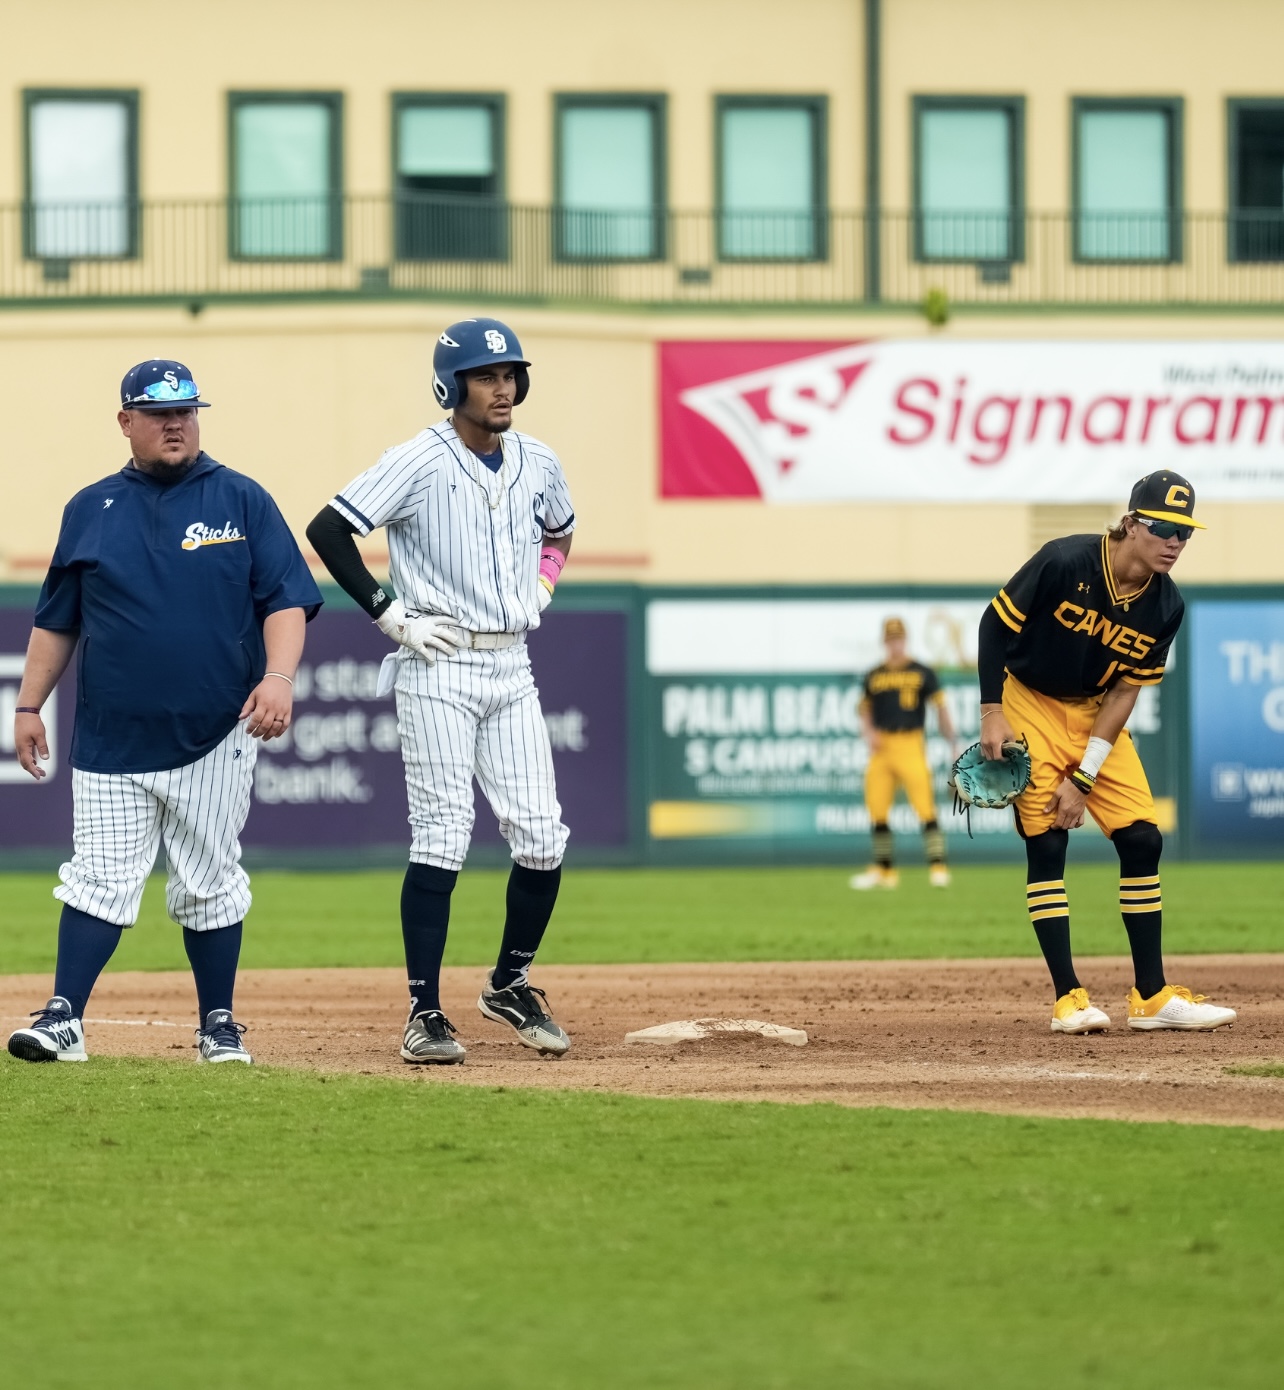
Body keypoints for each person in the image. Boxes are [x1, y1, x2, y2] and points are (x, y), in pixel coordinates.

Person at [8, 359, 322, 1065]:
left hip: (216, 731)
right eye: (158, 412)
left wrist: (279, 677)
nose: (175, 421)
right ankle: (64, 1019)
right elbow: (58, 621)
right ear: (126, 422)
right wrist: (30, 703)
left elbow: (285, 600)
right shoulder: (90, 507)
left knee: (210, 881)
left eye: (186, 409)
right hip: (112, 738)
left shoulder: (241, 498)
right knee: (97, 877)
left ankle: (218, 1024)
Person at [306, 317, 575, 1065]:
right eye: (486, 376)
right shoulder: (419, 460)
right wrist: (391, 614)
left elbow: (560, 531)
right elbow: (329, 529)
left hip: (511, 662)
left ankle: (509, 984)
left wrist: (544, 586)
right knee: (443, 837)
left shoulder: (538, 460)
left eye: (510, 374)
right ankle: (424, 1014)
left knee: (544, 837)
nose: (503, 387)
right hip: (439, 662)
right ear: (451, 386)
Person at [979, 470, 1236, 1035]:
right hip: (1031, 702)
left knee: (1142, 837)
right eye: (1164, 526)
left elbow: (1125, 690)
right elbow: (994, 626)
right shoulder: (1065, 562)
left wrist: (1086, 778)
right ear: (1130, 522)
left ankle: (1151, 997)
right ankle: (1069, 997)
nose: (1175, 541)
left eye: (1185, 532)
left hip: (1097, 711)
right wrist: (991, 711)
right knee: (1047, 842)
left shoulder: (1166, 605)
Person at [850, 617, 958, 890]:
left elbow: (941, 709)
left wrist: (953, 744)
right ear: (884, 642)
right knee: (877, 807)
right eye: (890, 639)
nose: (894, 644)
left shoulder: (922, 671)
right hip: (883, 746)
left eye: (898, 639)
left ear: (905, 639)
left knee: (925, 806)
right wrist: (869, 733)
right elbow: (863, 710)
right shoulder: (874, 674)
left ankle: (938, 866)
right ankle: (884, 871)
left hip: (911, 743)